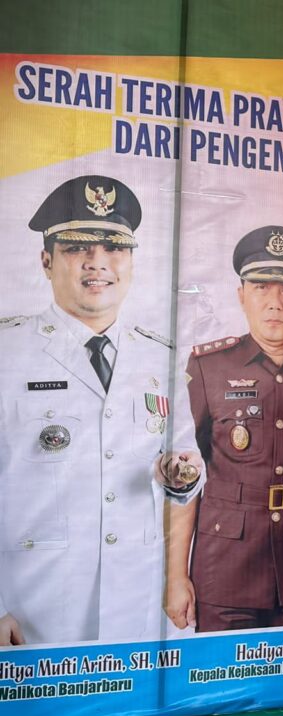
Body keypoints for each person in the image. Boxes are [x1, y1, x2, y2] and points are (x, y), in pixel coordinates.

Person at [0, 175, 203, 646]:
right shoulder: (8, 352)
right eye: (76, 248)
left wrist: (184, 475)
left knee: (127, 715)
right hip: (35, 601)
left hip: (134, 592)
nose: (98, 263)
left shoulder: (160, 356)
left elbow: (187, 465)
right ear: (47, 260)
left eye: (114, 247)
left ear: (131, 260)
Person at [168, 226, 283, 632]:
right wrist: (175, 576)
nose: (274, 302)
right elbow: (184, 479)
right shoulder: (207, 368)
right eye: (261, 287)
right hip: (228, 563)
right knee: (220, 680)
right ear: (241, 295)